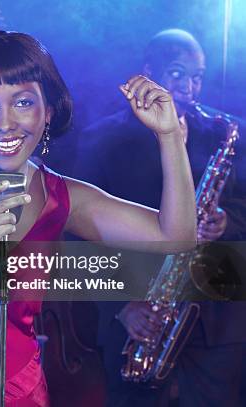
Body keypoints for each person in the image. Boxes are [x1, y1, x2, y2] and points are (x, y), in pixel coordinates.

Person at [0, 30, 197, 406]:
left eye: (23, 102)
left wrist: (170, 136)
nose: (5, 123)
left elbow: (177, 238)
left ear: (49, 110)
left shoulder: (63, 196)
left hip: (17, 395)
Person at [73, 29, 246, 406]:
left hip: (217, 327)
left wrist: (226, 221)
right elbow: (76, 237)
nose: (189, 88)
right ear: (149, 72)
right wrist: (121, 307)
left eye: (197, 77)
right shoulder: (101, 140)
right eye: (177, 74)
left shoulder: (226, 133)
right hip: (139, 324)